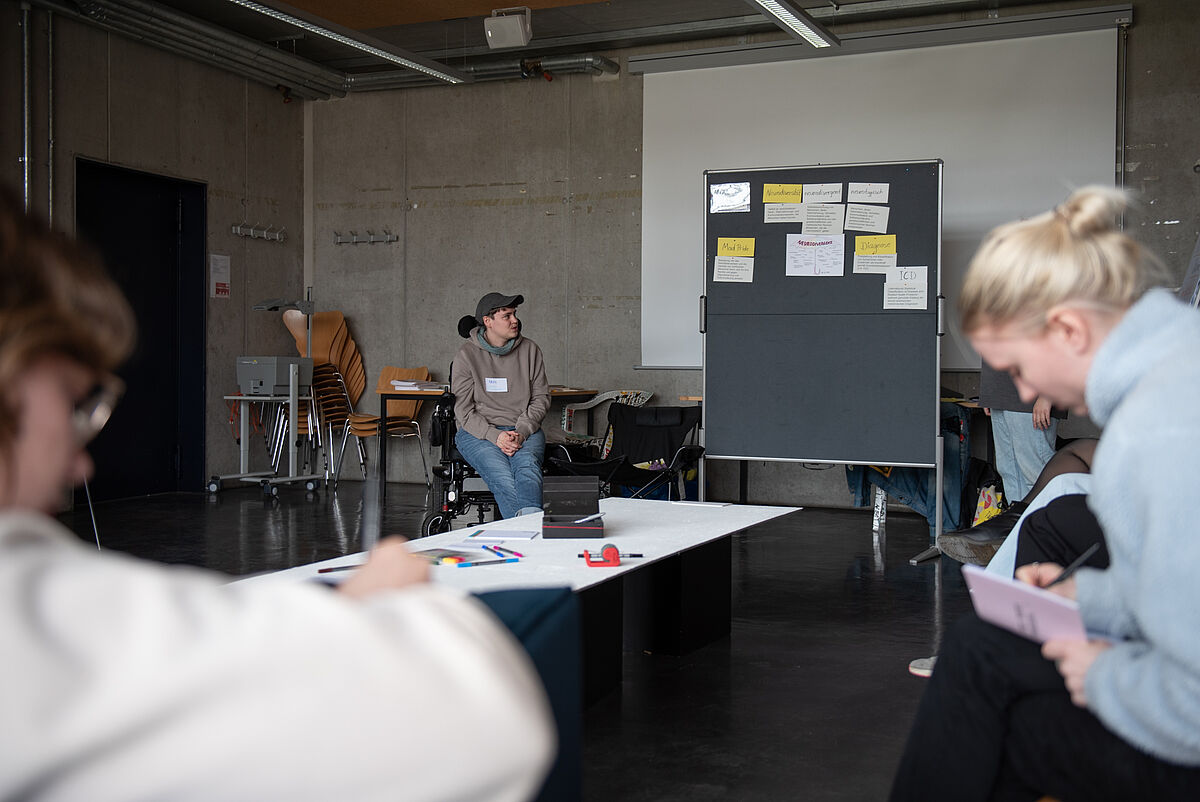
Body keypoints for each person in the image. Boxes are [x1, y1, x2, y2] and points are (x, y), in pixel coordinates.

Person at [0, 187, 554, 800]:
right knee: (507, 468)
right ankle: (527, 527)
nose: (81, 461)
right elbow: (498, 720)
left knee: (524, 458)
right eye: (77, 403)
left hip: (517, 435)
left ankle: (524, 520)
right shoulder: (41, 619)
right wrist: (368, 616)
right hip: (482, 450)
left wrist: (521, 428)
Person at [890, 186, 1200, 800]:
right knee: (980, 648)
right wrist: (1091, 596)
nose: (1027, 390)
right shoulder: (1168, 379)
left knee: (987, 709)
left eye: (1021, 369)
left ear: (1066, 329)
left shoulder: (1161, 429)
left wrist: (1106, 677)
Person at [452, 293, 550, 519]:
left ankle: (524, 538)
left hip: (523, 428)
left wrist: (522, 431)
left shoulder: (530, 350)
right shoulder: (467, 355)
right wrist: (495, 436)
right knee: (503, 477)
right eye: (506, 316)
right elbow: (464, 411)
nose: (514, 320)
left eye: (514, 314)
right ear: (488, 321)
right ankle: (532, 534)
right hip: (478, 432)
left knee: (528, 471)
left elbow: (541, 398)